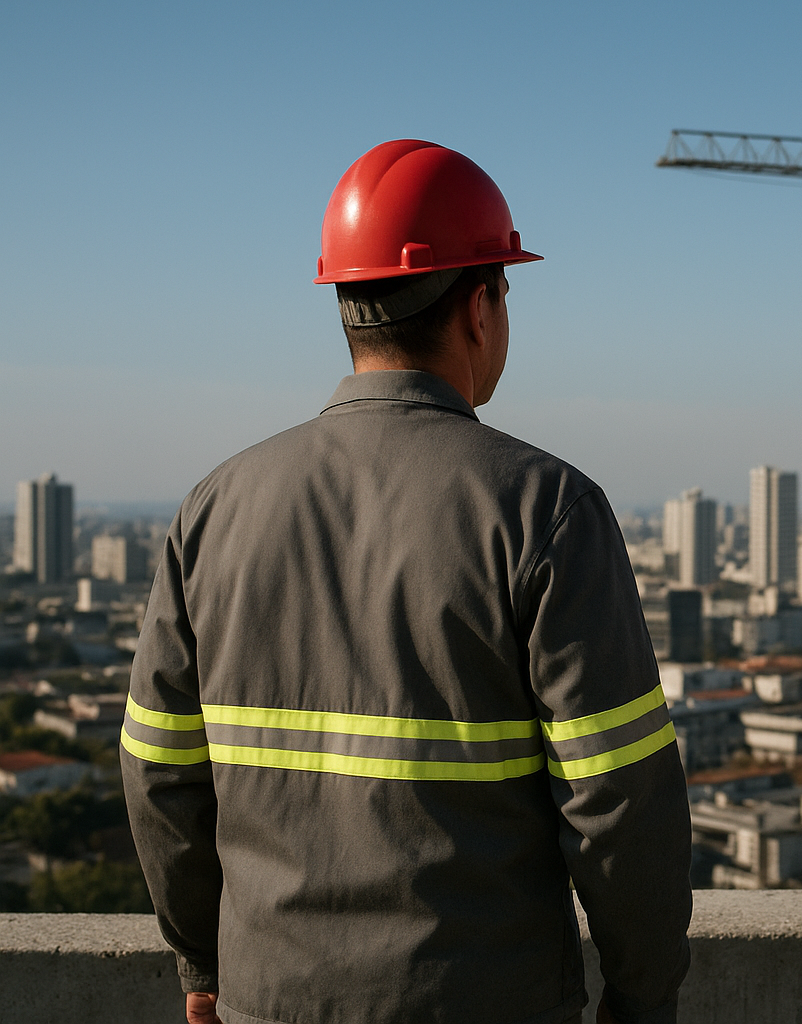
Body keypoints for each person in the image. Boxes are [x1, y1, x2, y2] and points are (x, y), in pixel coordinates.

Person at [121, 140, 692, 1024]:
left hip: (268, 1002)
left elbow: (159, 771)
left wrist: (203, 963)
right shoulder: (548, 509)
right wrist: (642, 996)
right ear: (480, 304)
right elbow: (622, 804)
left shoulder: (214, 507)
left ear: (347, 306)